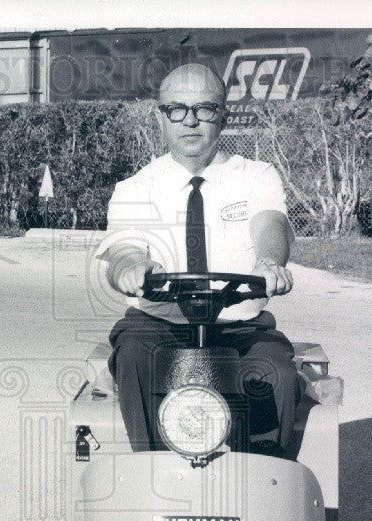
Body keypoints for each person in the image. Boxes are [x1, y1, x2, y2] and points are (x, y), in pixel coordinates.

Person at [94, 63, 300, 457]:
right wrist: (131, 268)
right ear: (161, 116)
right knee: (135, 359)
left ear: (222, 114)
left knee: (278, 375)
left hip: (239, 328)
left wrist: (270, 262)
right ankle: (153, 471)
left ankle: (262, 482)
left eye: (204, 108)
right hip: (159, 324)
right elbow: (123, 250)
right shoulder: (134, 187)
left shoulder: (256, 176)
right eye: (177, 109)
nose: (190, 121)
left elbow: (269, 224)